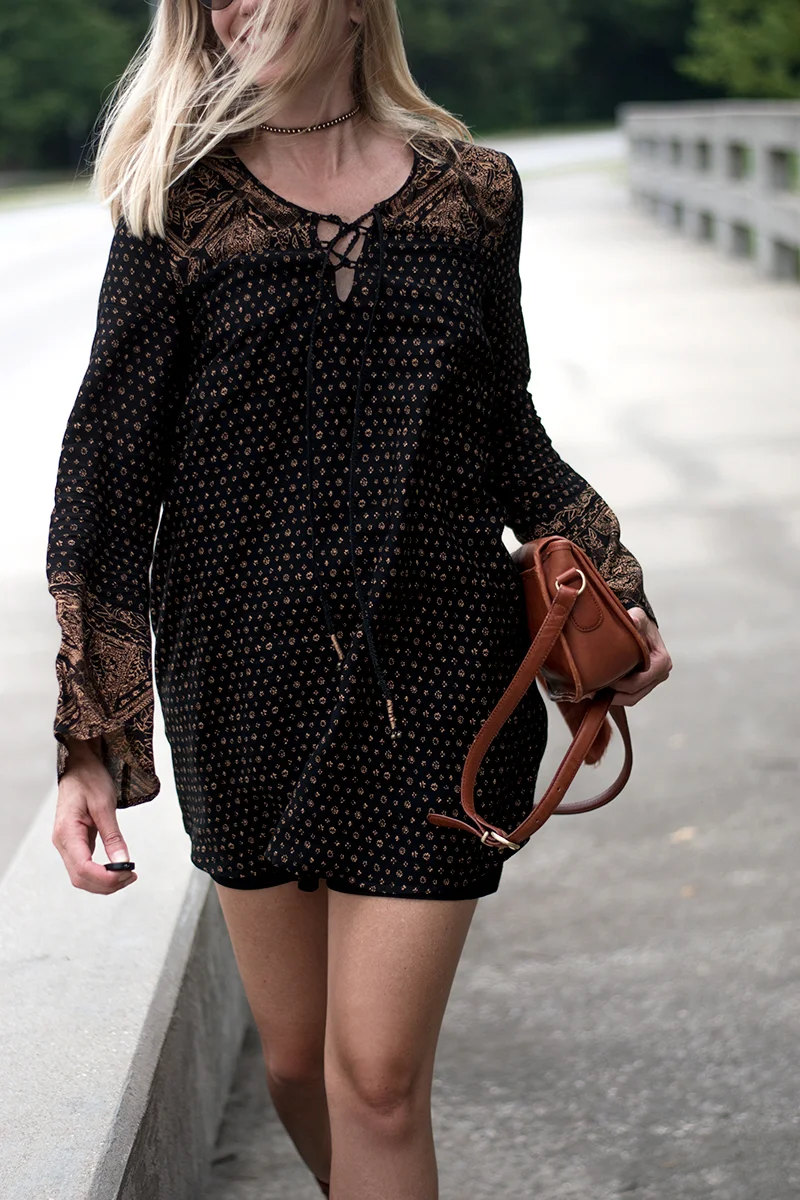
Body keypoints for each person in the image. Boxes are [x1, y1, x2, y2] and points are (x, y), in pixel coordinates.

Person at [47, 0, 672, 1195]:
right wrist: (94, 737)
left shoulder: (471, 195)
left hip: (441, 675)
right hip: (242, 681)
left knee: (375, 1079)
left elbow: (506, 430)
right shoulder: (174, 205)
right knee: (298, 1066)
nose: (232, 7)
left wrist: (616, 583)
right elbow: (109, 476)